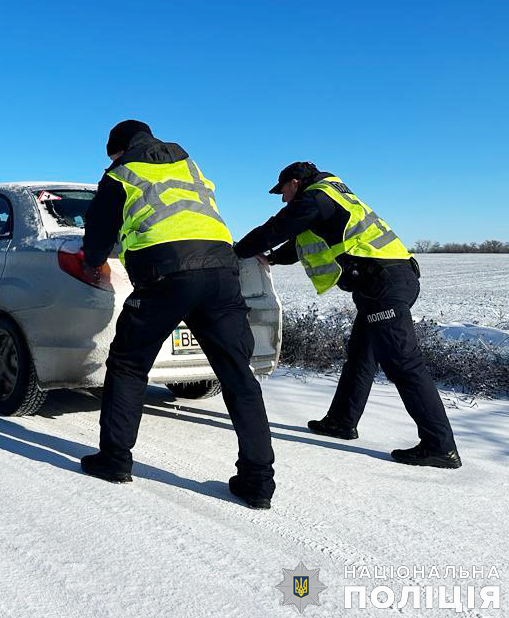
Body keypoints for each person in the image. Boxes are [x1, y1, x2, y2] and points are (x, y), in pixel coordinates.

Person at [80, 120, 276, 509]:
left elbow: (98, 234)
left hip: (164, 273)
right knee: (238, 374)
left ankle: (115, 459)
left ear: (117, 148)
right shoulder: (189, 165)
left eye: (111, 153)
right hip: (221, 271)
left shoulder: (121, 173)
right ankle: (258, 481)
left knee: (129, 364)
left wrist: (93, 262)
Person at [233, 162, 461, 469]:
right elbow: (299, 243)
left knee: (405, 365)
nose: (282, 198)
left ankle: (440, 445)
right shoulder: (332, 198)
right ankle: (341, 422)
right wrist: (271, 256)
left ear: (295, 182)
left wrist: (236, 251)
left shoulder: (316, 198)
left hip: (384, 285)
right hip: (384, 283)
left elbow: (276, 229)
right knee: (361, 356)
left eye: (283, 191)